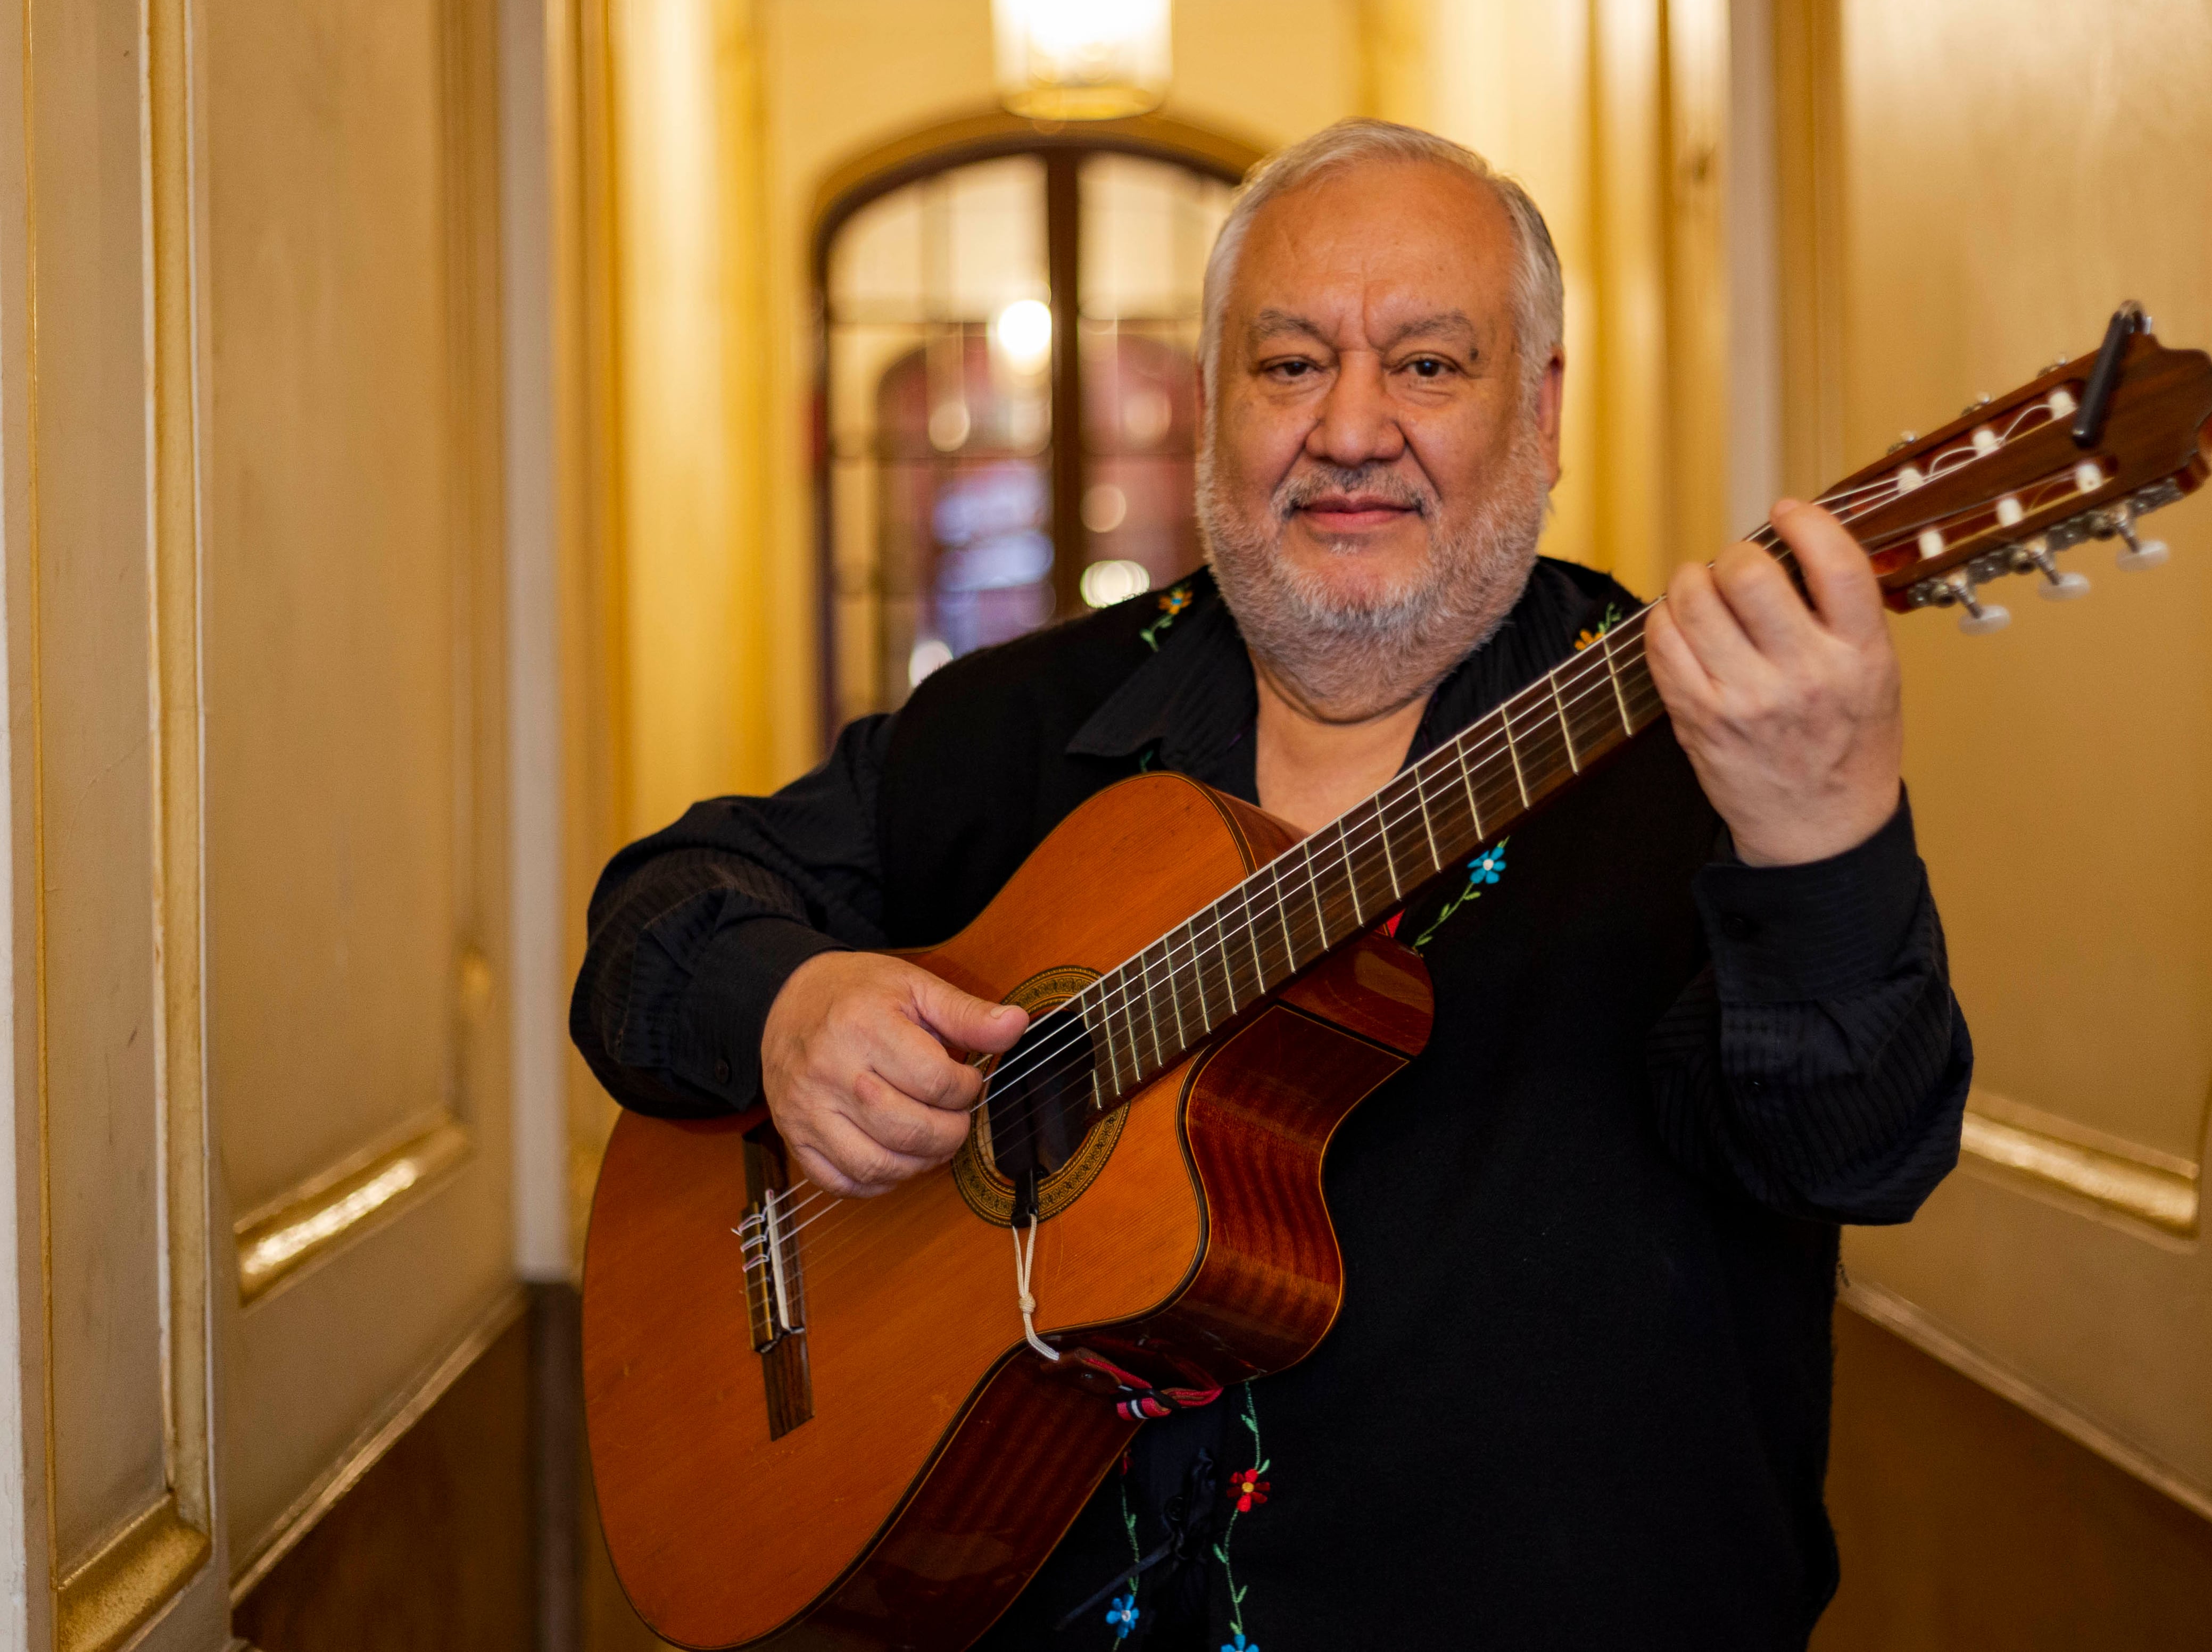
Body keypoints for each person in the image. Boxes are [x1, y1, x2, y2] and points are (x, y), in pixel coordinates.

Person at [573, 118, 1970, 1650]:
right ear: (1207, 409)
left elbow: (1857, 1155)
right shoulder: (1010, 727)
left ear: (1545, 411)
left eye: (1430, 366)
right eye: (1292, 365)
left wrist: (1826, 834)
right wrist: (786, 1003)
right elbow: (654, 921)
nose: (1353, 429)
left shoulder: (1712, 749)